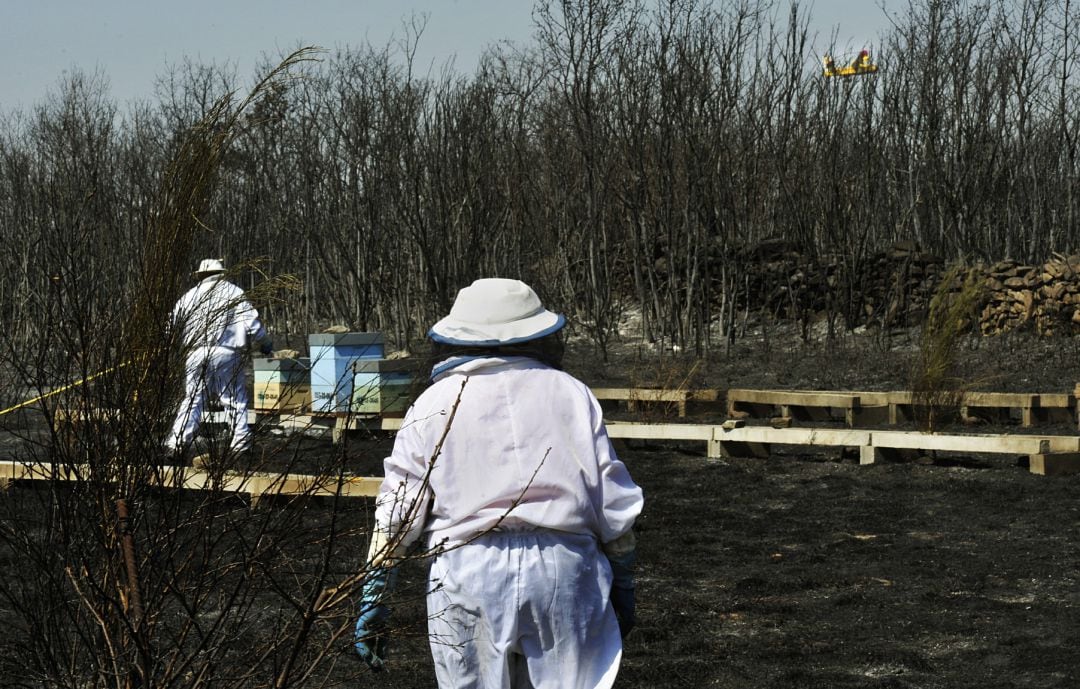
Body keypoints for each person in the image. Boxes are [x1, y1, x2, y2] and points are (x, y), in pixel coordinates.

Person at [355, 278, 643, 689]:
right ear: (538, 334)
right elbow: (612, 498)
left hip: (468, 571)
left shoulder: (434, 402)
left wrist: (376, 591)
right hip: (564, 569)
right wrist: (624, 576)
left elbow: (400, 508)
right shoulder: (572, 393)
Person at [167, 258, 272, 457]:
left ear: (201, 275)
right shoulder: (233, 293)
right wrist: (265, 343)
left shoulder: (189, 296)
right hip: (226, 352)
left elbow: (171, 324)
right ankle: (240, 444)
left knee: (193, 399)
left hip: (195, 353)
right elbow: (252, 323)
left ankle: (177, 442)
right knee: (233, 399)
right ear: (221, 273)